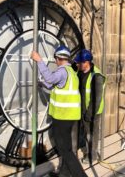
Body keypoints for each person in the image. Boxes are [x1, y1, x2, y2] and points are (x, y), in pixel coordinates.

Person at [31, 45, 88, 177]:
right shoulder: (71, 72)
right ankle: (64, 173)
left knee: (65, 150)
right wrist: (43, 84)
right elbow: (54, 84)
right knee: (67, 148)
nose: (55, 62)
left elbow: (51, 79)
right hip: (71, 116)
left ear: (58, 58)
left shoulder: (62, 71)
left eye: (55, 59)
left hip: (62, 117)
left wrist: (39, 60)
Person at [74, 49, 106, 165]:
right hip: (82, 109)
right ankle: (87, 151)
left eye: (79, 62)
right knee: (86, 133)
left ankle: (92, 156)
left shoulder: (96, 76)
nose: (77, 64)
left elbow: (96, 99)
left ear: (86, 62)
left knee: (91, 134)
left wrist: (89, 114)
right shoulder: (80, 72)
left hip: (92, 112)